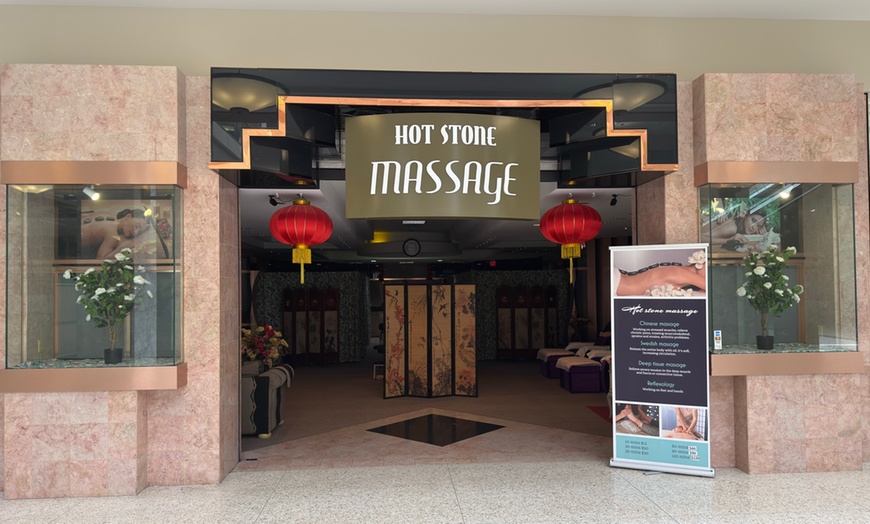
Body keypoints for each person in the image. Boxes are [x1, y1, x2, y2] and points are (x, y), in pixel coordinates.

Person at [81, 208, 150, 259]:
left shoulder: (106, 214)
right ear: (128, 216)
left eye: (139, 232)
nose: (135, 232)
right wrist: (122, 248)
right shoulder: (113, 234)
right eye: (136, 226)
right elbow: (101, 260)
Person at [614, 264, 706, 296]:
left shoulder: (680, 271)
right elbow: (709, 286)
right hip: (618, 283)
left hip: (620, 282)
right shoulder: (681, 273)